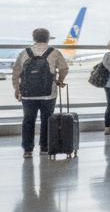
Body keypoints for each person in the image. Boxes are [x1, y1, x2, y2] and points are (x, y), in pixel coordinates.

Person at [11, 28, 69, 158]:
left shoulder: (24, 53)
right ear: (48, 38)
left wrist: (17, 89)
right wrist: (60, 81)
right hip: (49, 94)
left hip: (28, 94)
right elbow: (64, 68)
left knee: (28, 120)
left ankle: (28, 150)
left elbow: (16, 73)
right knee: (47, 120)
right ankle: (44, 147)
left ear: (34, 38)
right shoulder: (54, 52)